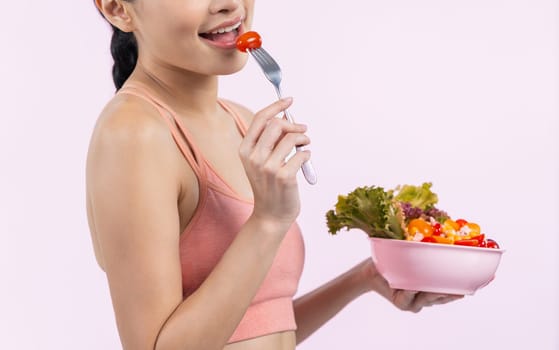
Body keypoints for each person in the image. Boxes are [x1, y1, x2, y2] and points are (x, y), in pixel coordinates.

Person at [87, 1, 463, 349]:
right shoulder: (134, 133)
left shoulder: (241, 121)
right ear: (118, 8)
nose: (229, 4)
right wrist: (267, 221)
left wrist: (363, 279)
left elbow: (254, 329)